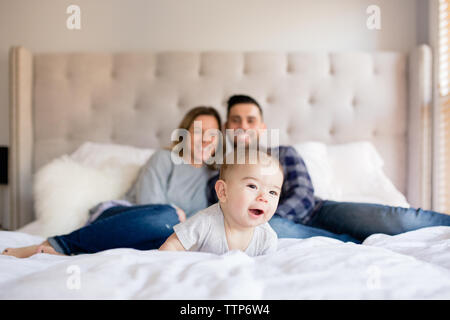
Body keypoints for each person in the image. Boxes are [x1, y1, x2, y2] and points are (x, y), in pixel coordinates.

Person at [207, 94, 450, 243]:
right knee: (268, 230)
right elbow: (225, 208)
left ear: (261, 127)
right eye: (236, 120)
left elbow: (303, 193)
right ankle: (353, 243)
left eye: (250, 120)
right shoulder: (222, 169)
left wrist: (271, 214)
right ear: (227, 126)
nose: (243, 126)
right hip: (273, 225)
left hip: (318, 210)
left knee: (395, 218)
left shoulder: (283, 153)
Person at [2, 106, 223, 258]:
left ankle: (76, 251)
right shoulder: (164, 159)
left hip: (164, 236)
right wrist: (175, 214)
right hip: (123, 217)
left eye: (212, 134)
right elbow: (148, 203)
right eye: (198, 131)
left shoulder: (214, 179)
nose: (206, 139)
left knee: (172, 241)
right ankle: (56, 244)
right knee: (167, 216)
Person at [160, 149, 283, 256]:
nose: (263, 197)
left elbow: (266, 273)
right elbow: (172, 246)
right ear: (223, 191)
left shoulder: (267, 238)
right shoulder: (205, 222)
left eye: (272, 192)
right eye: (252, 186)